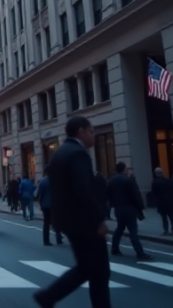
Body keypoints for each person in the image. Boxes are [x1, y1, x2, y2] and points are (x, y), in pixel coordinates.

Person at [33, 117, 111, 308]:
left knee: (88, 268)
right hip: (84, 222)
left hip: (68, 221)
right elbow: (84, 189)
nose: (93, 136)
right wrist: (99, 219)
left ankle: (49, 296)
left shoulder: (60, 153)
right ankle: (48, 295)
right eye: (91, 132)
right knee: (98, 271)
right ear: (81, 132)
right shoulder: (78, 154)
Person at [108, 162, 153, 261]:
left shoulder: (111, 181)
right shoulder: (128, 180)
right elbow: (135, 195)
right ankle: (140, 253)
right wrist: (140, 208)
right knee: (133, 232)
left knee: (119, 229)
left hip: (118, 209)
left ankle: (114, 249)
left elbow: (108, 196)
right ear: (124, 169)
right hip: (129, 209)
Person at [38, 173, 63, 245]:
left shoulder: (42, 181)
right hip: (55, 204)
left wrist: (41, 204)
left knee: (46, 223)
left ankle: (46, 240)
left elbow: (40, 194)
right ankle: (58, 238)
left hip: (45, 205)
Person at [151, 167, 173, 235]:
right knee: (172, 216)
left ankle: (166, 230)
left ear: (156, 174)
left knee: (164, 217)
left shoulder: (155, 182)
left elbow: (154, 193)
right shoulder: (168, 180)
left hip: (161, 202)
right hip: (169, 201)